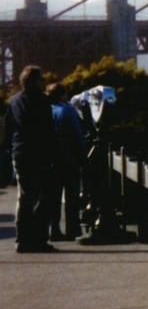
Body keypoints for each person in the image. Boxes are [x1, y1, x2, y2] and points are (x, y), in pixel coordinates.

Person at [3, 65, 58, 253]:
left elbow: (8, 131)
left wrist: (11, 150)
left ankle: (23, 238)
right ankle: (39, 239)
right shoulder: (42, 101)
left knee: (24, 196)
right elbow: (48, 130)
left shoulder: (13, 101)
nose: (44, 83)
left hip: (20, 153)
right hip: (39, 154)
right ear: (35, 82)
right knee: (43, 197)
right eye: (42, 80)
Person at [47, 83, 87, 240]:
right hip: (69, 158)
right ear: (63, 95)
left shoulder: (45, 110)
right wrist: (83, 156)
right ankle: (73, 229)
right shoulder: (68, 110)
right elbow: (78, 134)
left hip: (51, 159)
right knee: (72, 196)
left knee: (53, 196)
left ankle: (54, 230)